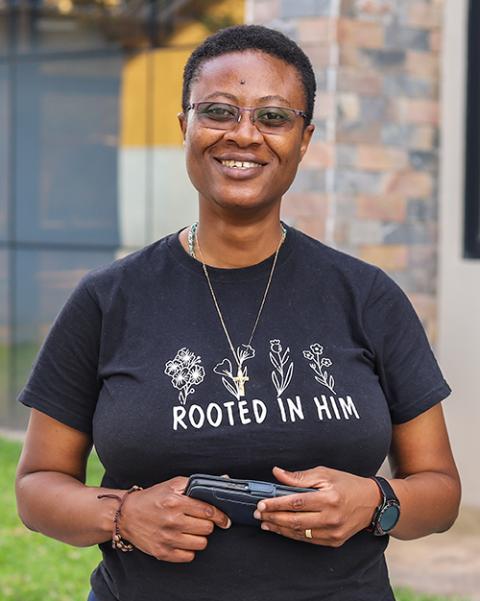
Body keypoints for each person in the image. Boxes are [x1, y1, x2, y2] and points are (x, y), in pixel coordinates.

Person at [15, 24, 461, 601]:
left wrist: (376, 503)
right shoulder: (109, 299)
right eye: (219, 112)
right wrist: (124, 514)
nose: (244, 135)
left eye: (273, 117)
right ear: (186, 128)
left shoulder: (367, 296)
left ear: (304, 139)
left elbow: (441, 491)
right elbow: (36, 485)